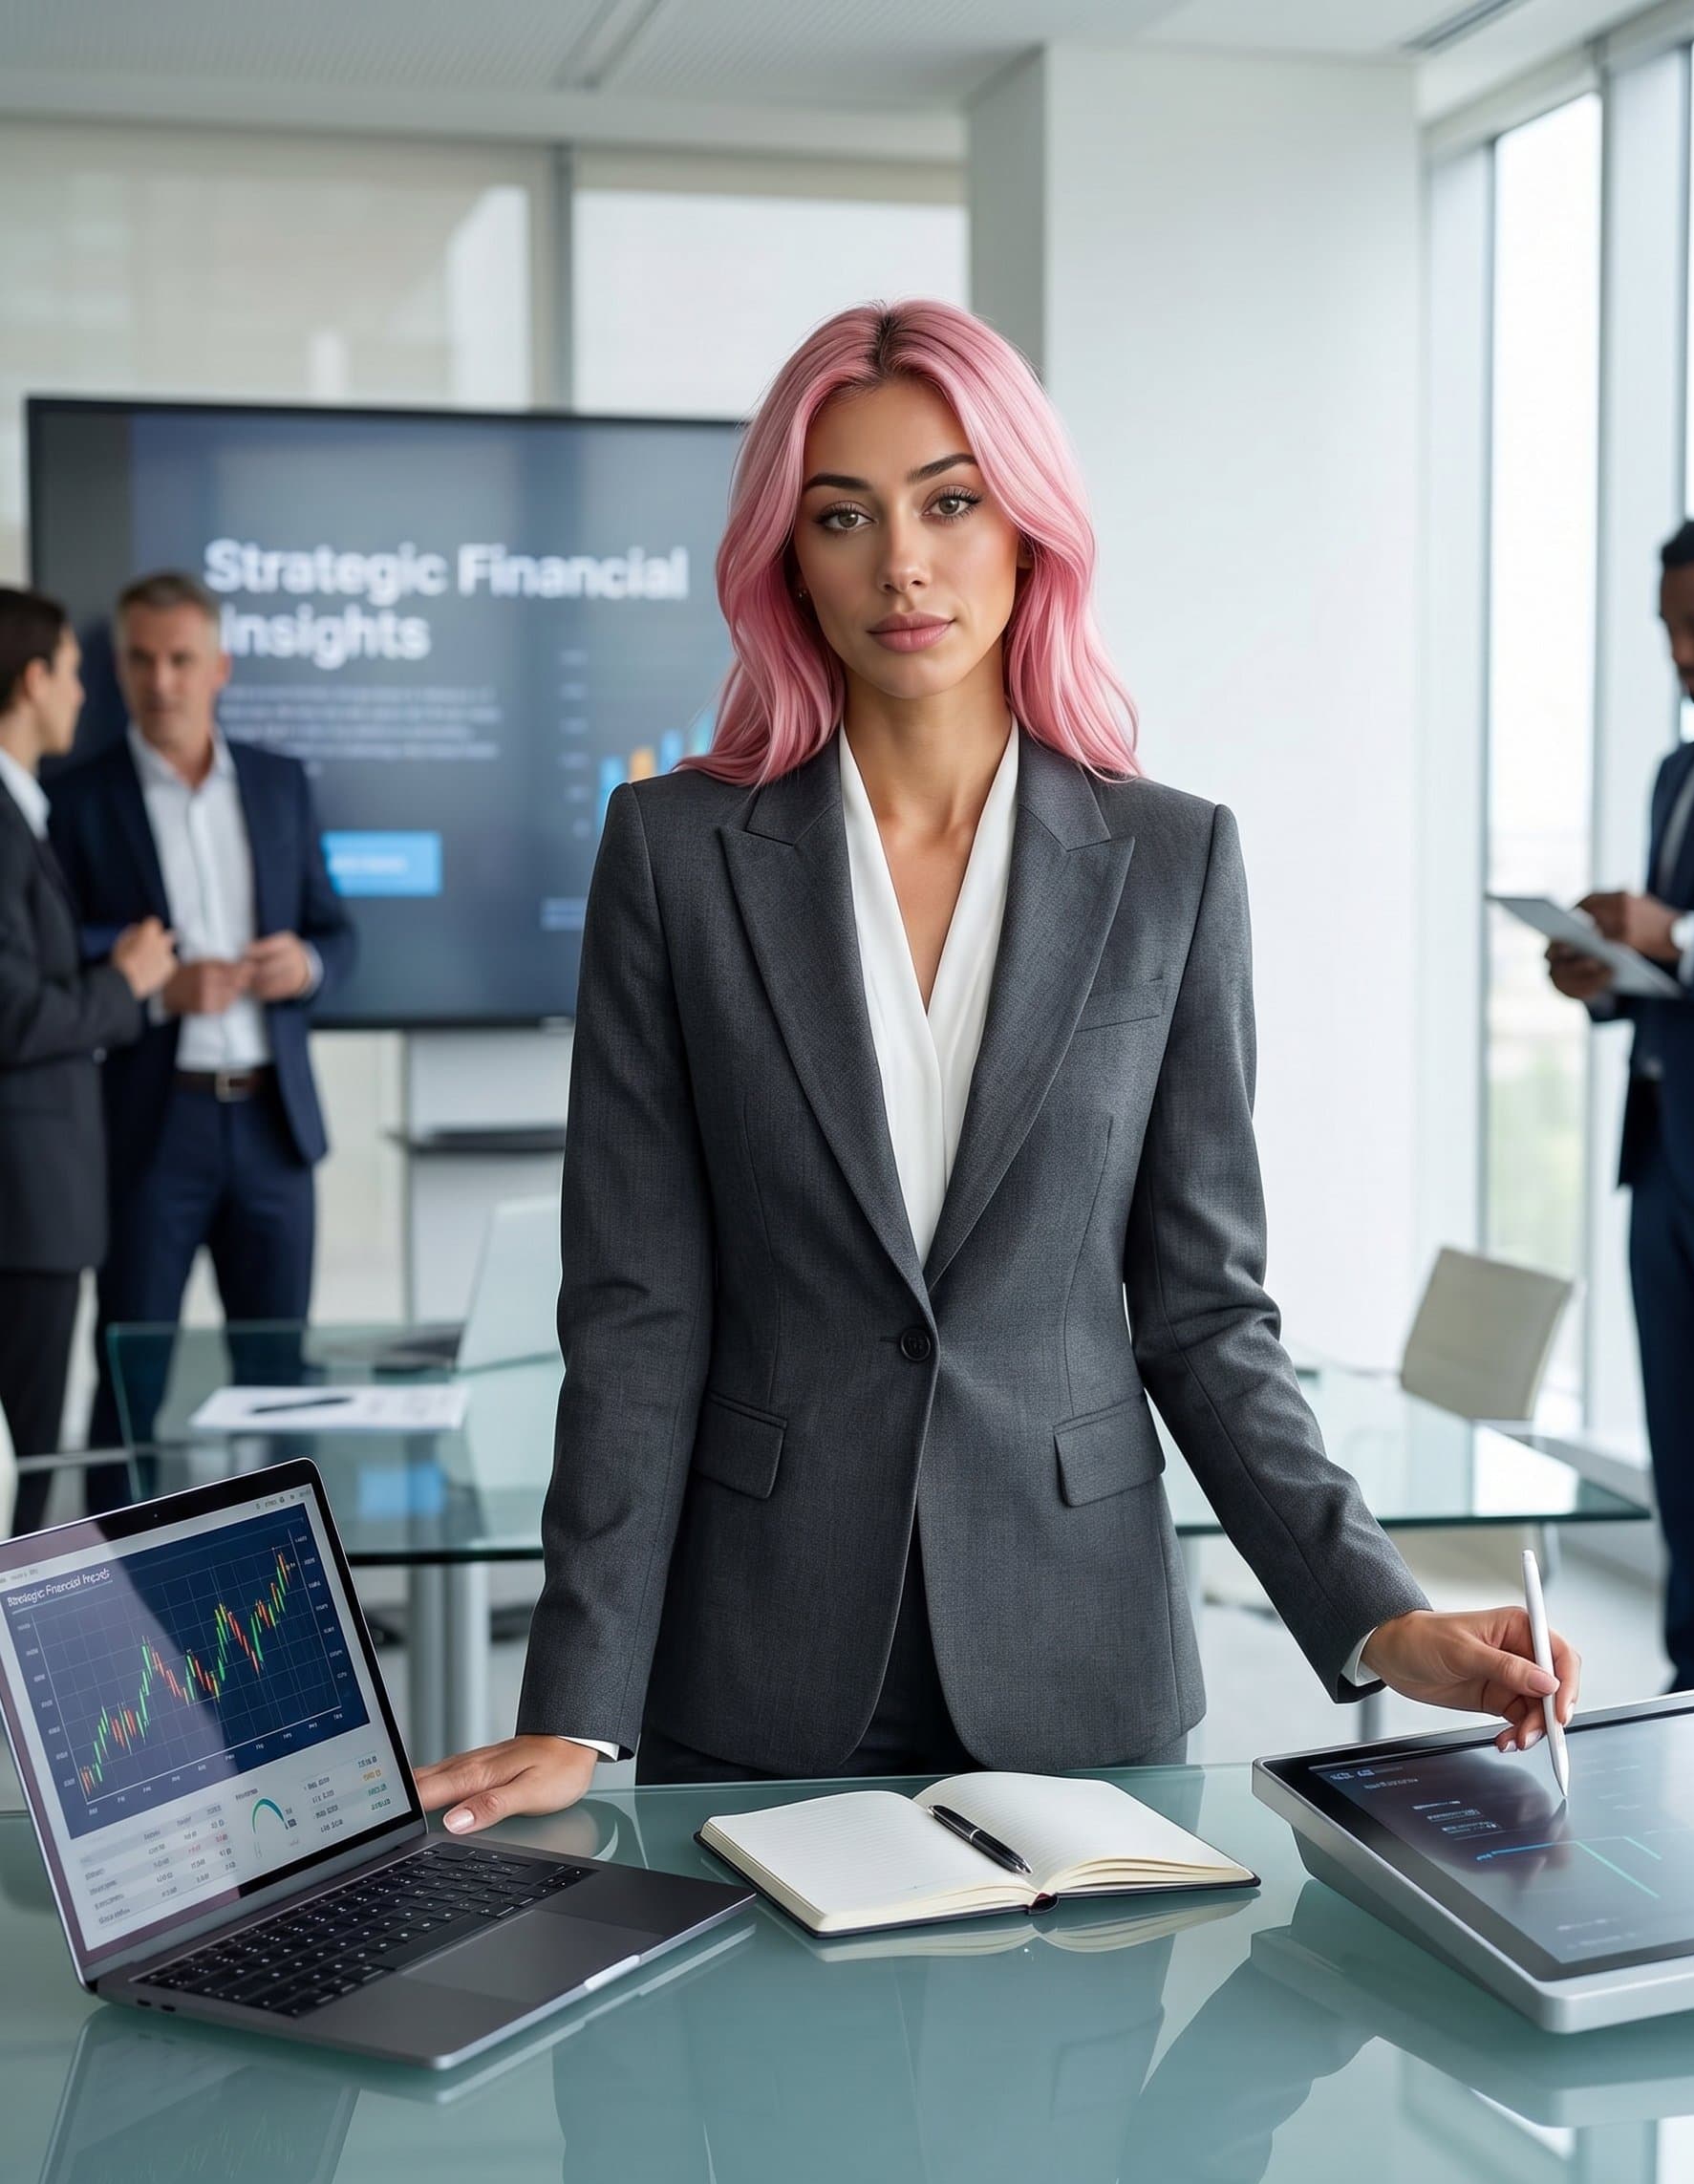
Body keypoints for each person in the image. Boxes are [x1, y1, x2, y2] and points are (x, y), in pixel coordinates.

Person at [419, 301, 1579, 1831]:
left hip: (1077, 1663)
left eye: (950, 502)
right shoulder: (677, 855)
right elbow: (638, 1313)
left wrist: (1377, 1614)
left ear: (1029, 533)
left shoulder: (1171, 860)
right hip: (752, 1659)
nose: (903, 561)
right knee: (733, 2079)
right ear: (791, 563)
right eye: (845, 516)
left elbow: (1205, 1314)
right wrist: (577, 1696)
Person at [47, 570, 355, 1452]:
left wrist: (307, 964)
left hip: (273, 1123)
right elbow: (54, 945)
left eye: (181, 659)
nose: (161, 682)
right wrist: (155, 987)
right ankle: (106, 1592)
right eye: (141, 660)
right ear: (118, 669)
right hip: (152, 1124)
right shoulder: (78, 799)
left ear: (219, 666)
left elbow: (337, 930)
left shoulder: (278, 783)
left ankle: (284, 1590)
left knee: (281, 1388)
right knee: (130, 1384)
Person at [1549, 514, 1694, 1690]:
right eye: (1669, 629)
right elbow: (1676, 976)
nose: (1683, 651)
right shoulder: (1679, 773)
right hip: (1662, 1154)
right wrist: (1611, 979)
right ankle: (1691, 1678)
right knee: (1682, 1444)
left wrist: (1684, 938)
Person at [0, 589, 175, 1528]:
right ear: (31, 681)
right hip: (24, 1210)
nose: (81, 693)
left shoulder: (20, 815)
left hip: (37, 1204)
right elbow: (14, 1014)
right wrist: (130, 982)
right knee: (20, 1476)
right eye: (71, 672)